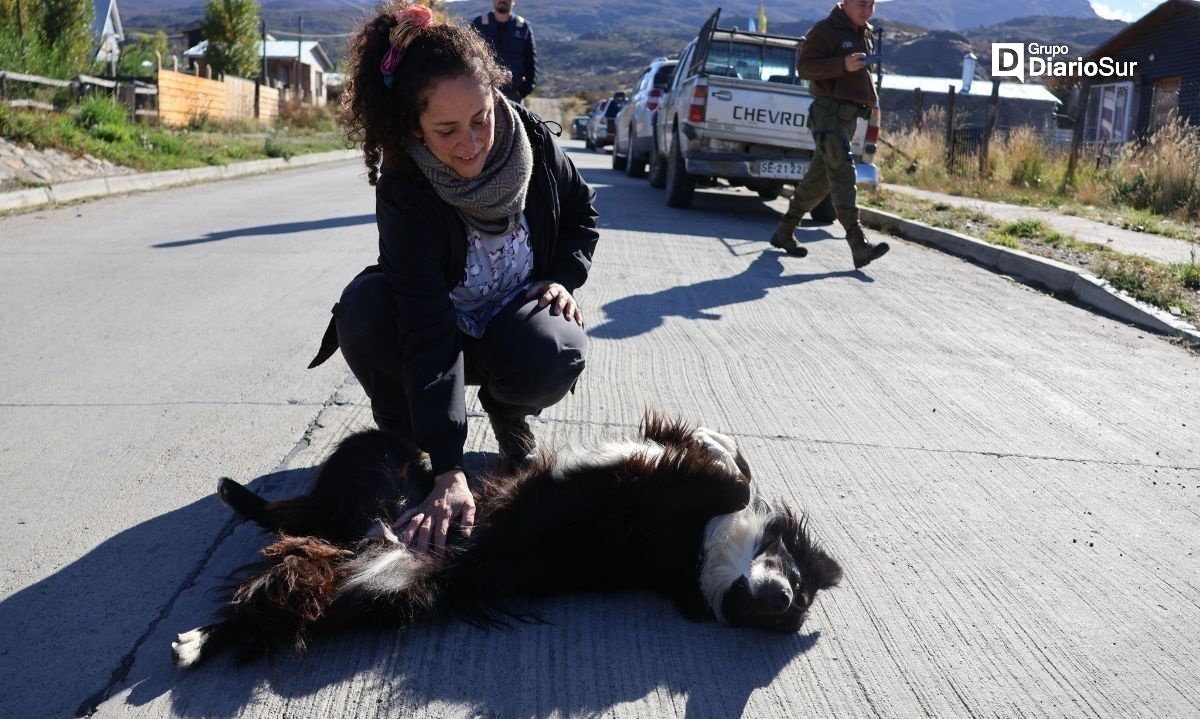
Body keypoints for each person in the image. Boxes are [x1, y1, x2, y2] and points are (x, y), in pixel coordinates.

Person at [308, 1, 598, 553]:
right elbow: (424, 326)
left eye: (481, 118)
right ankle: (408, 437)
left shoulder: (531, 142)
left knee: (556, 346)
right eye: (446, 130)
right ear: (412, 126)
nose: (471, 144)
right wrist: (449, 468)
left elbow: (582, 213)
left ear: (495, 96)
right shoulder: (406, 187)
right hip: (440, 323)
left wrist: (564, 276)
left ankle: (508, 413)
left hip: (510, 320)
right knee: (365, 310)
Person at [769, 0, 890, 269]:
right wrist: (842, 64)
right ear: (845, 2)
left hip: (847, 118)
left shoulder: (864, 31)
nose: (867, 10)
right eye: (861, 4)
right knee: (844, 172)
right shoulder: (824, 30)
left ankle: (784, 231)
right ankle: (858, 243)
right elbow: (805, 68)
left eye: (872, 5)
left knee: (819, 182)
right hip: (828, 113)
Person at [471, 0, 537, 102]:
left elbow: (530, 61)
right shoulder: (479, 24)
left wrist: (524, 91)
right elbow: (469, 56)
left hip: (514, 96)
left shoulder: (523, 27)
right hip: (484, 94)